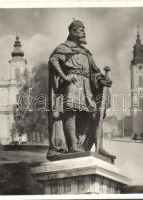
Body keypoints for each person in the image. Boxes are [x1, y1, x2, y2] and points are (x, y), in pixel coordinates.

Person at [46, 20, 115, 161]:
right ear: (72, 31)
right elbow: (53, 61)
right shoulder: (63, 47)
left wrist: (102, 80)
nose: (84, 32)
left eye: (84, 29)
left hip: (87, 86)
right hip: (72, 83)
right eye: (81, 29)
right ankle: (73, 147)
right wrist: (64, 76)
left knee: (96, 114)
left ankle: (99, 147)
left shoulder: (86, 52)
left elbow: (94, 72)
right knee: (70, 113)